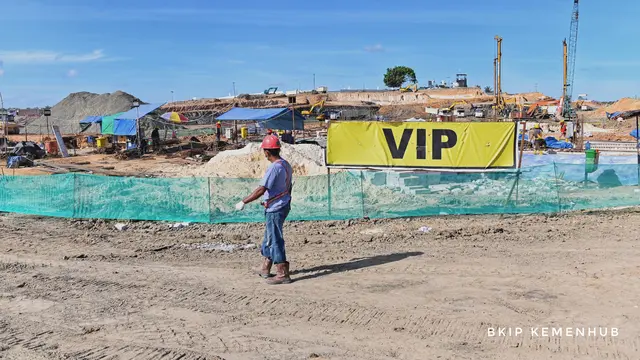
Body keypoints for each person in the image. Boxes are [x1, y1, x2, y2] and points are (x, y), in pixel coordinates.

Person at [235, 135, 293, 285]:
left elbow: (262, 189)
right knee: (269, 237)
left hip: (275, 208)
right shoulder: (285, 164)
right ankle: (266, 268)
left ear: (267, 152)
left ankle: (282, 273)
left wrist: (244, 201)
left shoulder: (275, 168)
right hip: (282, 204)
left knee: (275, 239)